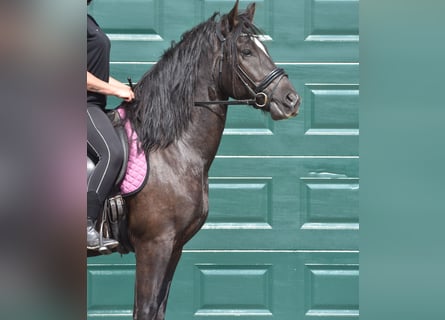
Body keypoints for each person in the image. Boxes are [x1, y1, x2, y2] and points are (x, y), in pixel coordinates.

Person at [87, 0, 135, 250]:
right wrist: (113, 90)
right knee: (112, 152)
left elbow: (96, 73)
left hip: (94, 103)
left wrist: (121, 88)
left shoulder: (87, 22)